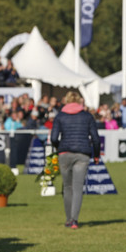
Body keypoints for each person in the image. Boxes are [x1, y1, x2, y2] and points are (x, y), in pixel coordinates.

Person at [50, 91, 101, 229]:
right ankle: (74, 221)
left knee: (67, 187)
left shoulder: (60, 116)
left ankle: (68, 219)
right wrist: (96, 155)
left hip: (65, 153)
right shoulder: (87, 116)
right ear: (79, 101)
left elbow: (53, 138)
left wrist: (59, 148)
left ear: (66, 100)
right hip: (82, 153)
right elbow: (95, 139)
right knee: (78, 188)